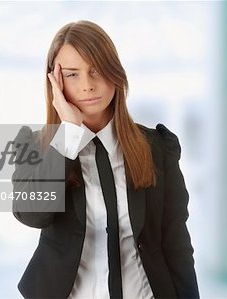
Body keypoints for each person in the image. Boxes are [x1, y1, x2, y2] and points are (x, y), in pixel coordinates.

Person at [12, 20, 199, 299]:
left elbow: (176, 244)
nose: (88, 85)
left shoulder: (159, 147)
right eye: (73, 74)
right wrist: (69, 134)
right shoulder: (36, 146)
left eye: (96, 70)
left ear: (115, 73)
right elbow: (31, 214)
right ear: (54, 81)